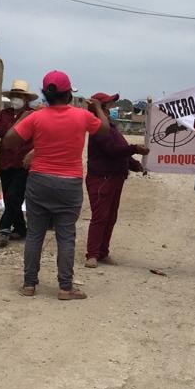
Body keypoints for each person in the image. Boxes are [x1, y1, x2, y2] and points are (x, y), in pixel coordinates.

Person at [2, 70, 110, 300]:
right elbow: (104, 130)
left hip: (39, 180)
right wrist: (98, 108)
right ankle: (65, 287)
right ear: (68, 93)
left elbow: (8, 141)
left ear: (45, 94)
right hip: (69, 183)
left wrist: (23, 117)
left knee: (35, 235)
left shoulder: (36, 117)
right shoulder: (81, 116)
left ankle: (29, 285)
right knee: (66, 236)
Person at [84, 91, 149, 268]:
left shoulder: (111, 127)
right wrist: (134, 148)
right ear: (100, 108)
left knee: (110, 217)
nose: (112, 107)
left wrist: (136, 165)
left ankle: (102, 252)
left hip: (114, 178)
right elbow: (113, 150)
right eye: (109, 105)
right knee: (100, 217)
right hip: (102, 178)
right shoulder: (98, 128)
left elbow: (121, 152)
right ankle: (92, 254)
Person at [0, 79, 38, 247]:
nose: (16, 98)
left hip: (23, 164)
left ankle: (4, 229)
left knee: (15, 196)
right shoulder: (3, 115)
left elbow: (41, 137)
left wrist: (33, 154)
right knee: (9, 198)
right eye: (14, 95)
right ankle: (21, 229)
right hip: (6, 162)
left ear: (26, 98)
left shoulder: (33, 115)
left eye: (19, 96)